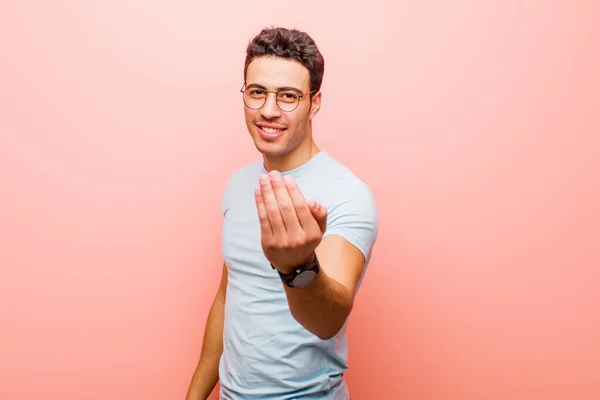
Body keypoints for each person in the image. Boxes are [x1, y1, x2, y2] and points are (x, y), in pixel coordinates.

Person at [186, 26, 379, 400]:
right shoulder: (238, 184)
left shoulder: (347, 194)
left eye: (288, 96)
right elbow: (230, 297)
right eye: (257, 93)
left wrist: (297, 267)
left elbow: (327, 321)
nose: (269, 111)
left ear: (315, 102)